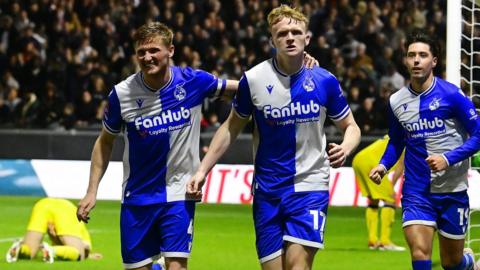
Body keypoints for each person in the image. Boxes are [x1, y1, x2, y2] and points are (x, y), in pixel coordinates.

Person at [75, 21, 318, 270]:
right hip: (137, 198)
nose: (147, 57)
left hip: (180, 193)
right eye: (141, 52)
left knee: (177, 266)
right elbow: (104, 142)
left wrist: (294, 64)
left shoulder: (193, 81)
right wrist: (92, 191)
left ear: (170, 50)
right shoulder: (122, 94)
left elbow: (247, 87)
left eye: (153, 50)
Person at [187, 5, 361, 270]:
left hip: (310, 186)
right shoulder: (254, 79)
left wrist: (346, 147)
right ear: (272, 40)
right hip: (267, 191)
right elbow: (231, 127)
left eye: (295, 32)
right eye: (282, 34)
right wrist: (202, 171)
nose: (290, 37)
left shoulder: (325, 80)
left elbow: (352, 126)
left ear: (307, 38)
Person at [369, 28, 480, 270]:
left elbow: (478, 135)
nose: (416, 60)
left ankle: (469, 263)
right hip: (417, 191)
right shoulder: (396, 101)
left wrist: (448, 159)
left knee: (452, 263)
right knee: (420, 254)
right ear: (406, 60)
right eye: (411, 55)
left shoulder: (452, 95)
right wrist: (383, 164)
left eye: (422, 55)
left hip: (452, 189)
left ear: (434, 61)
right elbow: (397, 140)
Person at [6, 198, 101, 263]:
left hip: (42, 204)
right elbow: (85, 248)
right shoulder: (83, 235)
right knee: (79, 253)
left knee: (30, 251)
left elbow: (63, 242)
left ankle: (19, 248)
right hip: (65, 209)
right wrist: (87, 255)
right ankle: (51, 251)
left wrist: (55, 239)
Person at [352, 136, 405, 251]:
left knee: (373, 200)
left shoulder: (394, 134)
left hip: (358, 159)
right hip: (372, 162)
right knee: (390, 199)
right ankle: (385, 242)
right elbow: (401, 165)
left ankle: (372, 240)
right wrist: (391, 187)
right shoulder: (410, 139)